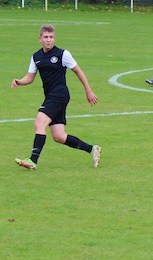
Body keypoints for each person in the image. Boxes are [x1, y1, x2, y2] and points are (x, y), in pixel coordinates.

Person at [12, 24, 100, 170]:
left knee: (39, 124)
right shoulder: (36, 57)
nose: (49, 40)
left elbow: (78, 71)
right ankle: (92, 149)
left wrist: (88, 91)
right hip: (51, 96)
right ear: (40, 39)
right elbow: (30, 77)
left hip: (59, 95)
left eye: (51, 37)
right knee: (59, 136)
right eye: (46, 37)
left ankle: (33, 160)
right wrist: (19, 82)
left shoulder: (62, 54)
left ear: (54, 38)